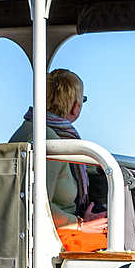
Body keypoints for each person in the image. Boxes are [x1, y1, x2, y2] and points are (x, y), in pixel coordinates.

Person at [10, 69, 105, 229]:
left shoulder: (31, 127)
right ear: (76, 107)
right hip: (53, 236)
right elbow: (36, 204)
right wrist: (81, 224)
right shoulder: (48, 140)